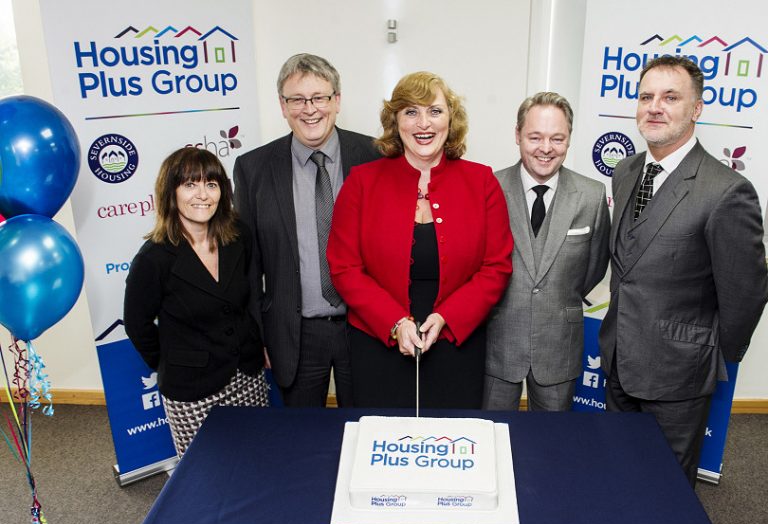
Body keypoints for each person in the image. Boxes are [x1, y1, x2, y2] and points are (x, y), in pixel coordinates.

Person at [599, 56, 768, 485]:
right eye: (645, 97)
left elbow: (745, 292)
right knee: (617, 470)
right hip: (619, 358)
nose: (654, 107)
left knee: (665, 489)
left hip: (678, 375)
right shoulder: (626, 170)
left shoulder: (727, 192)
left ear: (696, 109)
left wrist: (707, 353)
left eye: (670, 97)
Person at [327, 71, 513, 408]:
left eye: (435, 111)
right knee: (383, 444)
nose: (423, 123)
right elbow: (344, 267)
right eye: (411, 112)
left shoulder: (482, 181)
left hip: (458, 340)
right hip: (377, 339)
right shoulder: (361, 182)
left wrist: (447, 317)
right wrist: (394, 322)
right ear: (395, 121)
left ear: (450, 119)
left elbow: (496, 266)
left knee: (452, 443)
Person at [233, 53, 380, 407]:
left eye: (319, 97)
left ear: (337, 101)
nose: (309, 109)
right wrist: (258, 335)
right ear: (282, 107)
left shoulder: (376, 156)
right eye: (296, 99)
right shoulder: (253, 169)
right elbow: (248, 266)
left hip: (365, 327)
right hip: (294, 332)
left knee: (366, 429)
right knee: (300, 438)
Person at [124, 147, 269, 457]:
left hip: (247, 374)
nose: (202, 195)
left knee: (257, 457)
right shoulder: (153, 259)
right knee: (205, 474)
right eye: (190, 184)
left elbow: (247, 297)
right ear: (170, 192)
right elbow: (137, 325)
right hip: (192, 390)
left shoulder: (239, 236)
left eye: (211, 184)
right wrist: (174, 361)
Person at [484, 92, 610, 412]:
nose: (546, 148)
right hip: (498, 342)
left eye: (557, 138)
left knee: (554, 444)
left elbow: (594, 267)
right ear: (517, 135)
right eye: (535, 137)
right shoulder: (488, 189)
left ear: (569, 139)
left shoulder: (592, 196)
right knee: (491, 436)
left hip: (559, 345)